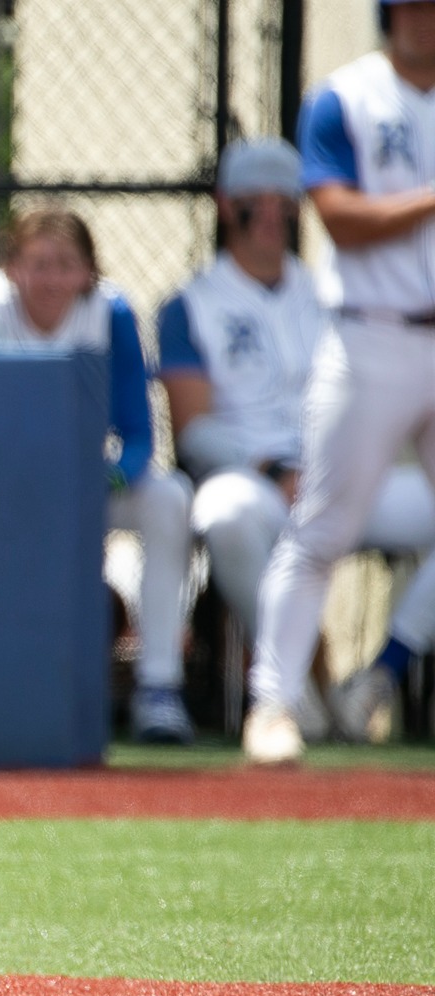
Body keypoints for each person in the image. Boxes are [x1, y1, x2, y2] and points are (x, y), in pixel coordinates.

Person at [160, 137, 435, 744]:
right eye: (253, 201)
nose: (271, 214)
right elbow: (195, 430)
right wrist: (271, 468)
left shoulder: (335, 296)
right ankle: (290, 695)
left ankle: (376, 680)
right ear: (225, 205)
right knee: (225, 510)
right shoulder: (192, 304)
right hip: (257, 477)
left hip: (342, 471)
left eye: (284, 200)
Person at [247, 0, 435, 763]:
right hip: (371, 334)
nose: (423, 21)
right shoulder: (345, 97)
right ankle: (273, 704)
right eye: (411, 7)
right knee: (323, 528)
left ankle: (380, 674)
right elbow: (340, 217)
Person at [0, 208, 198, 743]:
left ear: (88, 272)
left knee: (169, 498)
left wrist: (106, 481)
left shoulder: (111, 312)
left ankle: (159, 689)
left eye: (66, 265)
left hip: (84, 486)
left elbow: (137, 435)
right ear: (11, 267)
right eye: (38, 264)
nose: (51, 279)